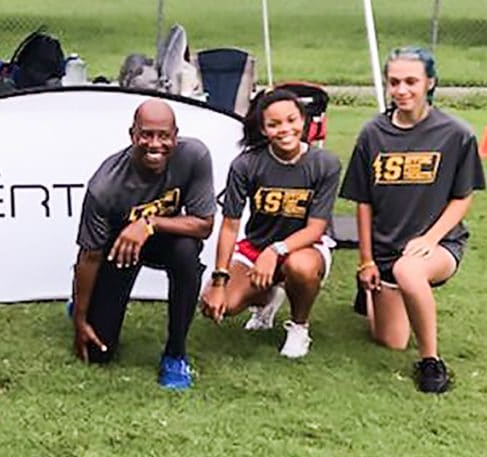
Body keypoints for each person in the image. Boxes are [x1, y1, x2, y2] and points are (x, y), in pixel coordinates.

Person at [340, 46, 484, 394]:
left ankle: (431, 362)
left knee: (409, 270)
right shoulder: (372, 134)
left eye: (411, 81)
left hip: (438, 245)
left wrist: (430, 239)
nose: (402, 90)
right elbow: (363, 203)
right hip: (386, 249)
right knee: (390, 340)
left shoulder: (456, 134)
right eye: (394, 82)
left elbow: (462, 198)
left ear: (430, 82)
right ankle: (371, 293)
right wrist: (366, 261)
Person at [72, 98, 215, 390]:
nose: (155, 143)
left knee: (187, 254)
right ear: (132, 135)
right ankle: (82, 305)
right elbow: (89, 256)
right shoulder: (105, 185)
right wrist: (80, 318)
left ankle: (175, 354)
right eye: (146, 134)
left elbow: (203, 224)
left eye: (164, 135)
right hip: (120, 249)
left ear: (176, 135)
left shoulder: (195, 155)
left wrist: (149, 224)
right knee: (100, 353)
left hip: (166, 240)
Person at [200, 89, 341, 358]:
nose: (285, 129)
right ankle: (266, 299)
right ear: (263, 129)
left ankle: (299, 327)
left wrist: (276, 250)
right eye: (274, 124)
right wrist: (219, 281)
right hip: (256, 248)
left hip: (305, 247)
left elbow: (316, 228)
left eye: (291, 120)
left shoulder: (325, 163)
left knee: (300, 267)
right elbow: (230, 225)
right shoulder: (246, 164)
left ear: (304, 120)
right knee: (218, 305)